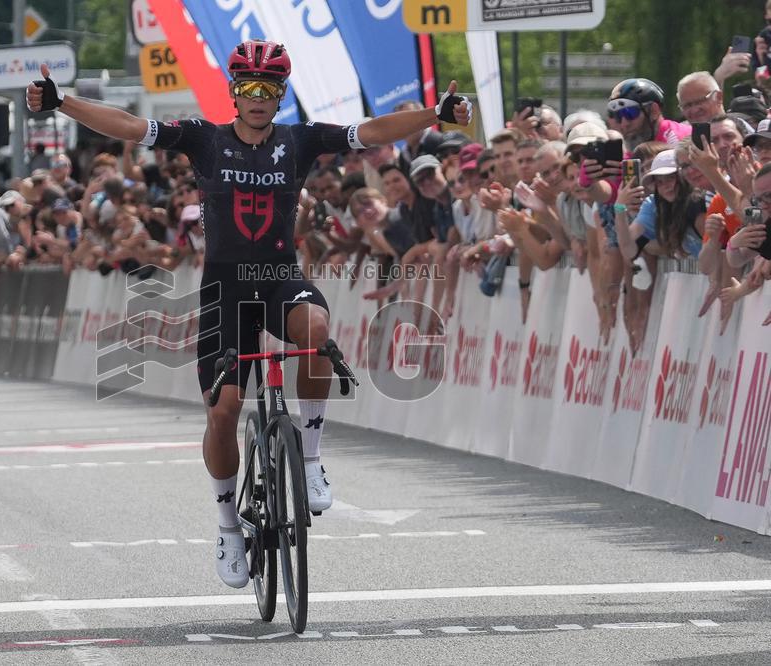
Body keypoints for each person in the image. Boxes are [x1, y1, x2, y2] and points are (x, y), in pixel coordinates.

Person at [27, 39, 471, 589]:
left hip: (279, 278)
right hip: (224, 290)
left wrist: (435, 115)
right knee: (224, 409)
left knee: (315, 333)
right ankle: (227, 527)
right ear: (235, 92)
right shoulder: (203, 138)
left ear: (281, 95)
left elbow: (371, 131)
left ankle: (309, 458)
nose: (259, 98)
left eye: (270, 89)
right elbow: (127, 124)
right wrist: (62, 103)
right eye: (249, 88)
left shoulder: (301, 139)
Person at [608, 78, 690, 150]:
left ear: (654, 111)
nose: (624, 124)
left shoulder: (680, 142)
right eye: (617, 115)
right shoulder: (625, 149)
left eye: (631, 113)